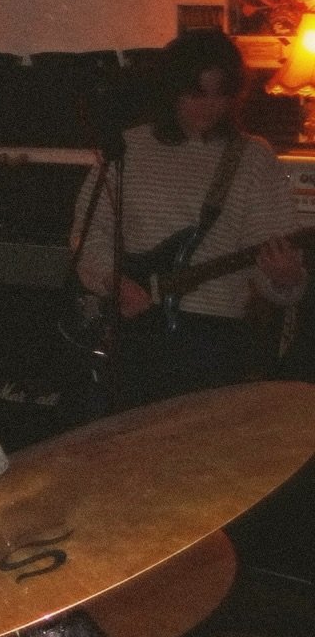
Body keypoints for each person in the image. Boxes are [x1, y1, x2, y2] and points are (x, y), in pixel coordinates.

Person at [70, 29, 306, 408]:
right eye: (197, 93)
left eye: (221, 94)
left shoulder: (252, 158)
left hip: (213, 340)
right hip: (133, 329)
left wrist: (285, 277)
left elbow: (279, 273)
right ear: (171, 91)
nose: (210, 107)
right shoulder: (128, 147)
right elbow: (88, 234)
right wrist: (113, 283)